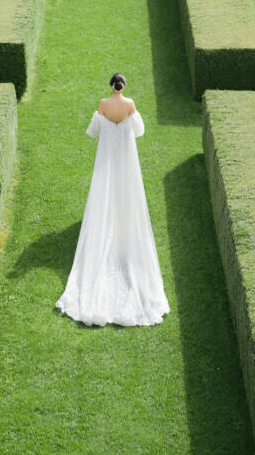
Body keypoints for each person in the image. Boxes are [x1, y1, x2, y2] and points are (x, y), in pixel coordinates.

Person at [56, 73, 169, 328]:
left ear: (110, 86)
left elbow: (94, 131)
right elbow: (138, 131)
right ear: (124, 86)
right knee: (126, 193)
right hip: (125, 161)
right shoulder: (129, 106)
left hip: (107, 160)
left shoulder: (103, 105)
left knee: (106, 191)